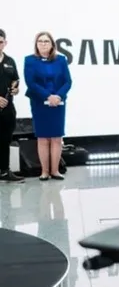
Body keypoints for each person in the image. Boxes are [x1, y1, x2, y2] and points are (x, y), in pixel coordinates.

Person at [24, 31, 72, 181]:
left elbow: (68, 81)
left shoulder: (61, 60)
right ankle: (44, 171)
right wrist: (47, 96)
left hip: (58, 102)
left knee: (56, 137)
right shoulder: (30, 60)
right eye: (40, 41)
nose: (43, 44)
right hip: (40, 102)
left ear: (52, 45)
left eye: (46, 41)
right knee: (43, 138)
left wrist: (58, 96)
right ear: (36, 44)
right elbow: (31, 83)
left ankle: (55, 170)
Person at [0, 28, 21, 183]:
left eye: (0, 42)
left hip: (7, 109)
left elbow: (15, 79)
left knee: (5, 140)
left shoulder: (10, 61)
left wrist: (16, 89)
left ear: (5, 43)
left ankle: (4, 171)